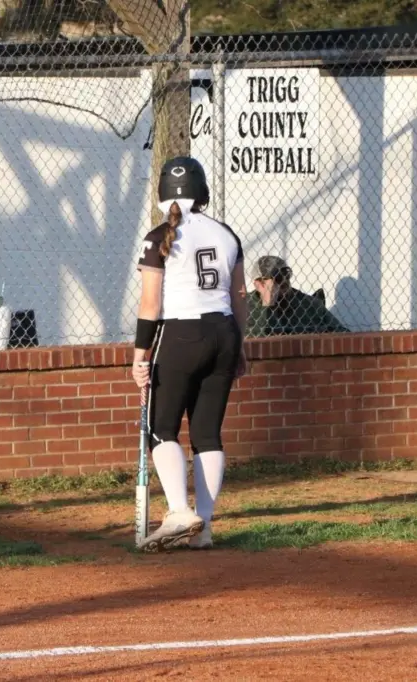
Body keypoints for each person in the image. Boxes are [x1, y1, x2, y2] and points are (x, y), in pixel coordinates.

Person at [131, 156, 248, 553]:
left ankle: (180, 511)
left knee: (161, 429)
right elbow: (239, 296)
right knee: (207, 434)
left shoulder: (158, 236)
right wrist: (239, 344)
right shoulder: (226, 233)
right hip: (224, 333)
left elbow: (150, 306)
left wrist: (140, 356)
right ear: (202, 191)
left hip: (180, 335)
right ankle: (205, 527)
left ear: (162, 193)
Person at [246, 255, 348, 337]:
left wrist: (318, 332)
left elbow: (344, 334)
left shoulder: (309, 305)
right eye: (277, 277)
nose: (284, 280)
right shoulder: (245, 307)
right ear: (259, 284)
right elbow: (252, 342)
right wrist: (268, 304)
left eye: (286, 274)